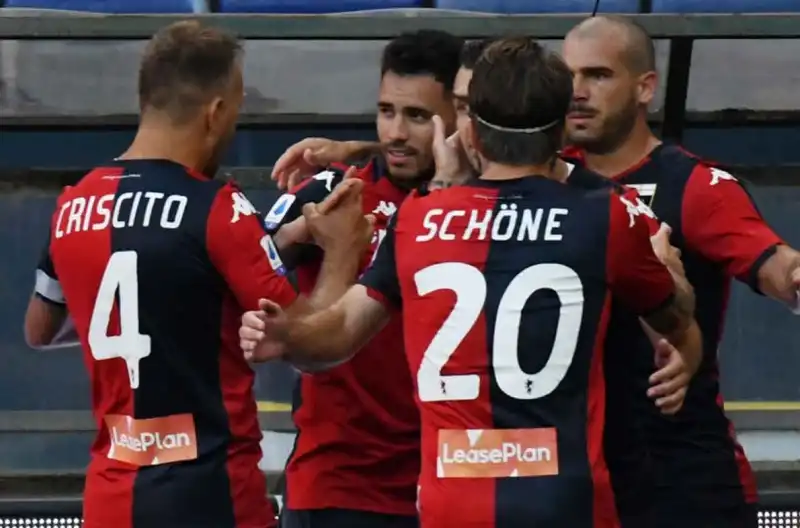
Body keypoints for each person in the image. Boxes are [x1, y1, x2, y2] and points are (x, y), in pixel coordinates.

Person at [241, 38, 703, 528]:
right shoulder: (605, 216)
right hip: (564, 499)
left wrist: (290, 335)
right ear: (560, 130)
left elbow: (335, 337)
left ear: (473, 132)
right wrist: (670, 269)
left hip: (452, 503)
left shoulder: (417, 219)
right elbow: (676, 318)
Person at [22, 21, 371, 528]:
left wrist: (263, 253)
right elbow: (310, 346)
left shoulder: (74, 204)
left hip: (110, 500)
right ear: (215, 112)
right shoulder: (217, 208)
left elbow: (41, 329)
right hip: (212, 499)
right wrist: (341, 251)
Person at [562, 15, 800, 527]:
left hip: (682, 479)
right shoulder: (545, 177)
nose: (577, 92)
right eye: (568, 76)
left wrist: (793, 276)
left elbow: (777, 265)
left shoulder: (697, 186)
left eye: (598, 75)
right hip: (576, 478)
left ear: (645, 87)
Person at [263, 30, 463, 528]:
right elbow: (250, 271)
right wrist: (290, 236)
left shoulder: (482, 204)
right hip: (336, 487)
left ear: (459, 117)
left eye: (418, 116)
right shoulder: (330, 192)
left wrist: (361, 146)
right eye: (386, 111)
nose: (396, 132)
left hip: (446, 485)